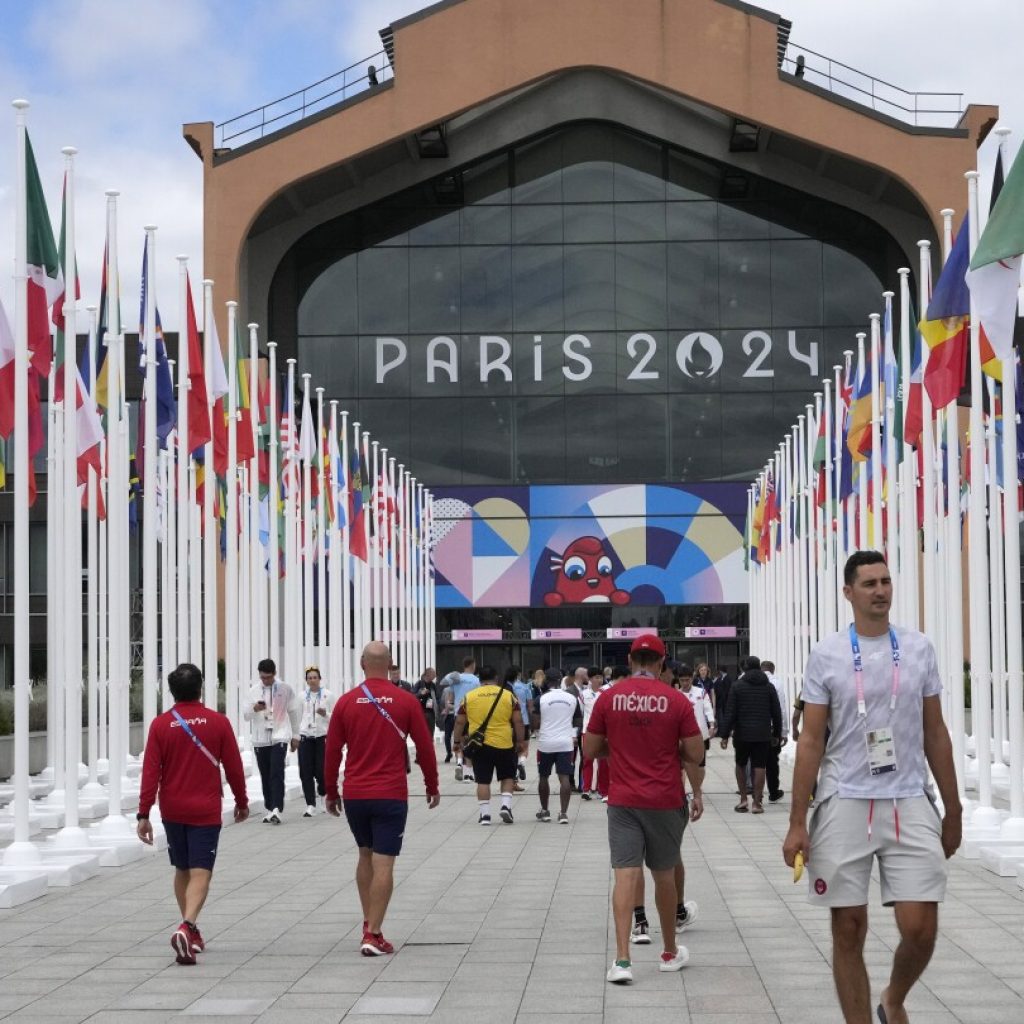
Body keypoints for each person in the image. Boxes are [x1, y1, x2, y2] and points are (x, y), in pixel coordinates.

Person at [783, 551, 962, 1024]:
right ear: (848, 593)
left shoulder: (919, 648)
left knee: (920, 926)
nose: (880, 590)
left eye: (885, 581)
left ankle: (894, 998)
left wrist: (955, 809)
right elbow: (811, 740)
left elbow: (935, 732)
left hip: (908, 797)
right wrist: (797, 821)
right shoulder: (827, 654)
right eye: (868, 584)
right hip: (845, 799)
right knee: (849, 927)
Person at [583, 634, 705, 985]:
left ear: (632, 659)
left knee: (625, 876)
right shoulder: (677, 701)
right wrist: (669, 751)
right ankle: (668, 952)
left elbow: (590, 749)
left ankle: (622, 960)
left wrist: (619, 750)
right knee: (664, 875)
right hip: (665, 799)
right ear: (662, 663)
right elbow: (695, 754)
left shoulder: (609, 698)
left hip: (622, 798)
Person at [325, 641, 440, 957]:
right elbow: (425, 748)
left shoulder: (347, 702)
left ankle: (368, 923)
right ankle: (373, 933)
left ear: (362, 663)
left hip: (356, 793)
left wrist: (330, 792)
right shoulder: (405, 700)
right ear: (390, 664)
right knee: (384, 861)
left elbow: (332, 750)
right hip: (390, 793)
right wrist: (432, 784)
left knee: (365, 854)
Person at [137, 663, 249, 966]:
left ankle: (191, 928)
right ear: (201, 687)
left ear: (171, 690)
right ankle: (187, 925)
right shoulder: (218, 722)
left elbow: (150, 771)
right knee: (202, 871)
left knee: (182, 868)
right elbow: (233, 766)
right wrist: (241, 800)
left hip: (172, 807)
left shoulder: (161, 725)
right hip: (205, 807)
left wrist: (143, 813)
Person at [453, 664, 527, 825]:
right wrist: (521, 742)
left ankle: (485, 815)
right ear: (496, 679)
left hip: (479, 746)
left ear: (479, 680)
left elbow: (459, 722)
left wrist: (456, 742)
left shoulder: (469, 697)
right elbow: (518, 721)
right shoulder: (508, 696)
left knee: (483, 781)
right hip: (504, 743)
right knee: (507, 776)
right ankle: (506, 807)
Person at [718, 655, 781, 814]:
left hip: (742, 733)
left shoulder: (737, 686)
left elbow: (730, 712)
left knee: (741, 764)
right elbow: (776, 712)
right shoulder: (769, 687)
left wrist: (724, 735)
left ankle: (743, 800)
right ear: (759, 668)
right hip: (763, 733)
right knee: (760, 765)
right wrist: (777, 734)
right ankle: (757, 803)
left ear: (745, 668)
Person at [243, 658, 301, 823]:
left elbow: (294, 713)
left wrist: (296, 736)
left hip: (279, 736)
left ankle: (276, 808)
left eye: (268, 677)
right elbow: (246, 715)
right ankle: (270, 807)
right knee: (265, 774)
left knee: (277, 772)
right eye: (263, 677)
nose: (265, 680)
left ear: (275, 673)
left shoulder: (285, 689)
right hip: (260, 739)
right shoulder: (253, 691)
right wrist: (255, 708)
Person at [532, 668, 581, 823]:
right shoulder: (572, 698)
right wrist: (570, 731)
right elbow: (578, 721)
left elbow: (535, 723)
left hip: (546, 743)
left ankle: (545, 811)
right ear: (561, 680)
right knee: (564, 778)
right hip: (565, 743)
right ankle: (563, 814)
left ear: (546, 680)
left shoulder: (541, 698)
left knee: (543, 776)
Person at [298, 666, 336, 817]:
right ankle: (310, 804)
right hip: (305, 736)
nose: (312, 680)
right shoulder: (301, 696)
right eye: (309, 678)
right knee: (305, 772)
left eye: (315, 677)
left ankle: (322, 795)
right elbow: (297, 716)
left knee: (321, 770)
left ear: (320, 679)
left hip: (322, 737)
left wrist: (325, 714)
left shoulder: (328, 695)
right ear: (306, 680)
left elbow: (336, 716)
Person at [760, 659, 789, 803]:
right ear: (773, 670)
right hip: (771, 729)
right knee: (772, 762)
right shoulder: (777, 684)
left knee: (756, 761)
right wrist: (783, 732)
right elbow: (781, 709)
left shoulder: (750, 682)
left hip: (755, 728)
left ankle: (756, 794)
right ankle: (773, 792)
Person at [579, 666, 609, 800]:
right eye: (596, 677)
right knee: (587, 760)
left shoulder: (606, 693)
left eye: (601, 677)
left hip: (603, 732)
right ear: (590, 679)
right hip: (587, 730)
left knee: (603, 761)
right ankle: (586, 789)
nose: (599, 680)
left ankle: (603, 791)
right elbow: (579, 713)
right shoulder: (583, 694)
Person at [451, 656, 481, 782]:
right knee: (470, 743)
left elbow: (452, 695)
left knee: (459, 741)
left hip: (458, 712)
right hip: (471, 713)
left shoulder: (456, 679)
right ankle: (468, 773)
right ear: (473, 665)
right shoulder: (476, 680)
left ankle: (458, 762)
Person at [678, 663, 715, 760]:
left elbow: (708, 709)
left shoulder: (701, 692)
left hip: (700, 733)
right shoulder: (676, 695)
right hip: (681, 736)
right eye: (682, 680)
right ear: (679, 680)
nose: (685, 683)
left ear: (692, 678)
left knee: (700, 764)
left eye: (687, 680)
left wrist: (711, 726)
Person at [509, 666, 534, 784]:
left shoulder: (507, 688)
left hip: (510, 722)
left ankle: (513, 774)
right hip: (524, 721)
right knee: (524, 748)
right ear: (519, 674)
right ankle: (521, 763)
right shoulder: (525, 687)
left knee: (512, 749)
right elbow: (530, 706)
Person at [438, 670, 460, 763]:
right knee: (456, 736)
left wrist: (446, 708)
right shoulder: (459, 689)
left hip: (450, 715)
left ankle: (449, 753)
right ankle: (456, 755)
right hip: (457, 715)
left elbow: (443, 702)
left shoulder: (446, 690)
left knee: (448, 736)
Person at [415, 667, 439, 736]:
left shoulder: (433, 685)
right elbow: (412, 696)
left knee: (430, 734)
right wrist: (421, 694)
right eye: (433, 674)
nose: (435, 676)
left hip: (431, 713)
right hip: (420, 712)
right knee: (421, 734)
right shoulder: (419, 684)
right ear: (428, 674)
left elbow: (437, 698)